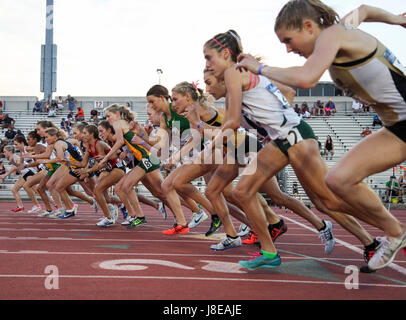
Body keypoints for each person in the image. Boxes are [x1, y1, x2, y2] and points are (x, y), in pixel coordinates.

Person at [236, 1, 406, 271]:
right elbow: (364, 9)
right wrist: (396, 19)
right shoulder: (342, 30)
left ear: (309, 26)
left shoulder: (333, 34)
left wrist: (259, 68)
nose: (289, 48)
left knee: (332, 188)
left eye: (289, 40)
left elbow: (306, 79)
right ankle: (395, 232)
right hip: (396, 128)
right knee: (337, 180)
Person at [204, 29, 376, 270]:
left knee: (326, 201)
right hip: (285, 139)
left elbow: (232, 122)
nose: (208, 66)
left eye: (208, 58)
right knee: (245, 191)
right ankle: (269, 252)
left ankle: (385, 231)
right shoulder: (243, 75)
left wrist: (207, 146)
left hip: (294, 136)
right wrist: (276, 124)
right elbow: (287, 92)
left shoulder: (234, 72)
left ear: (225, 54)